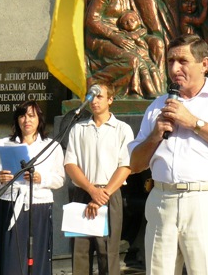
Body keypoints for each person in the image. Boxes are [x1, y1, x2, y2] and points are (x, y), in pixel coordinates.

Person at [128, 34, 208, 275]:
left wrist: (194, 122)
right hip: (162, 200)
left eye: (182, 61)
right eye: (170, 61)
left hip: (204, 201)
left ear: (204, 64)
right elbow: (135, 164)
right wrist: (155, 136)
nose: (175, 69)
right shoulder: (157, 106)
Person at [64, 82, 134, 275]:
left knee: (108, 253)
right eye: (91, 96)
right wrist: (91, 190)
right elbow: (70, 164)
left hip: (109, 194)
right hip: (83, 193)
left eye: (99, 96)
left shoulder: (122, 129)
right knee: (80, 252)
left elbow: (126, 165)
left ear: (110, 100)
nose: (94, 101)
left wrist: (103, 194)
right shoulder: (78, 129)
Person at [0, 101, 65, 275]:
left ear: (39, 119)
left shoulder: (51, 146)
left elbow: (60, 179)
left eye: (31, 116)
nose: (26, 120)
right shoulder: (5, 143)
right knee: (10, 259)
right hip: (10, 203)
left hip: (38, 205)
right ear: (17, 120)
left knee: (36, 256)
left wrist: (41, 178)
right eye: (22, 116)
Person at [85, 0, 166, 98]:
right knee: (132, 60)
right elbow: (92, 20)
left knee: (157, 44)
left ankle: (158, 91)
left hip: (124, 36)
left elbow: (136, 22)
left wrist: (135, 35)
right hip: (102, 38)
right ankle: (94, 81)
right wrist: (115, 37)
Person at [117, 10, 165, 97]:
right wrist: (133, 37)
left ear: (138, 21)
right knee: (144, 71)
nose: (129, 23)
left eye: (132, 20)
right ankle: (151, 92)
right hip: (136, 57)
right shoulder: (123, 35)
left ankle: (159, 92)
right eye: (126, 22)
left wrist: (137, 37)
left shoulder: (142, 32)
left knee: (154, 69)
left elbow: (144, 43)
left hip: (145, 56)